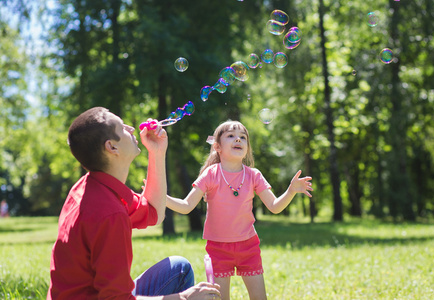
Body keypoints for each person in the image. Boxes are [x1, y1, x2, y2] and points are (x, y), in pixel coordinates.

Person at [47, 107, 221, 300]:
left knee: (178, 268)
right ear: (112, 147)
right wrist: (185, 298)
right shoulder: (109, 214)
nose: (131, 128)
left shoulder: (94, 187)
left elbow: (154, 212)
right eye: (122, 127)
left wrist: (156, 152)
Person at [166, 120, 313, 300]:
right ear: (218, 147)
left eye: (243, 137)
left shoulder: (253, 175)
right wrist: (162, 197)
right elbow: (186, 206)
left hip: (248, 246)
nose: (238, 140)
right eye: (231, 136)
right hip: (218, 248)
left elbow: (274, 207)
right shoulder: (211, 174)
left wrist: (290, 191)